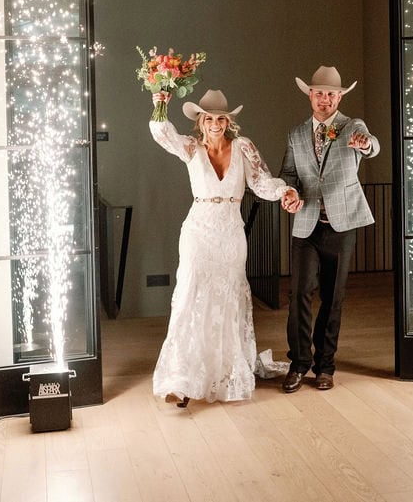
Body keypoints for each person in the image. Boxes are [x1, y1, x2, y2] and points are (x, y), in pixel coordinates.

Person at [149, 88, 299, 407]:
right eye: (208, 118)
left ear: (228, 121)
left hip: (231, 230)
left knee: (227, 300)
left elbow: (261, 182)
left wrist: (284, 191)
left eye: (220, 118)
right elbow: (162, 133)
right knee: (191, 295)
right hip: (198, 229)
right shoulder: (190, 147)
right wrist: (160, 103)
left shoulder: (243, 147)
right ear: (200, 122)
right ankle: (183, 377)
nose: (214, 123)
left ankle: (224, 374)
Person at [278, 65, 379, 392]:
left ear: (339, 97)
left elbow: (371, 145)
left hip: (341, 224)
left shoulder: (352, 127)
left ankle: (325, 365)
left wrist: (365, 144)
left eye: (331, 94)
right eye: (319, 93)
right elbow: (289, 175)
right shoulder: (295, 134)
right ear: (310, 94)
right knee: (299, 295)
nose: (325, 99)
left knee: (333, 298)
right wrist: (289, 193)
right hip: (306, 224)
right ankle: (299, 362)